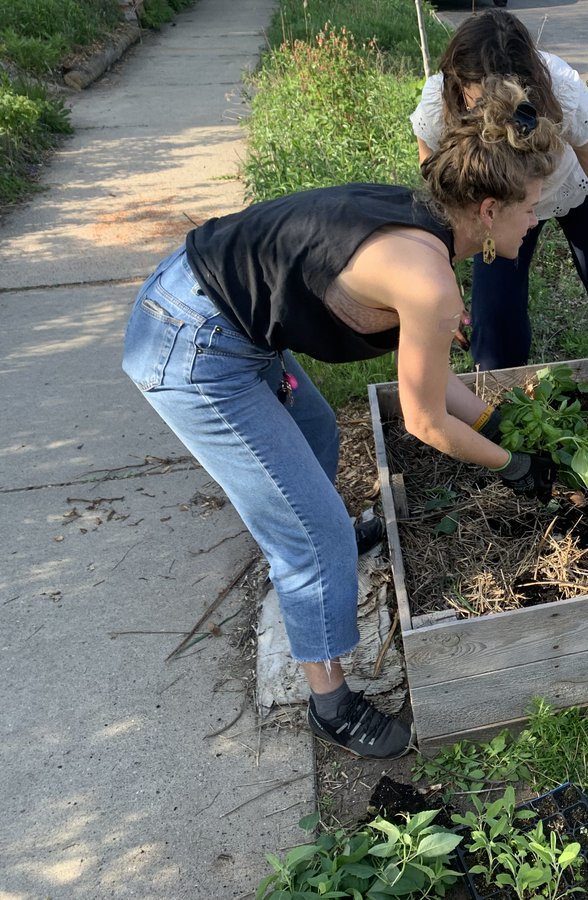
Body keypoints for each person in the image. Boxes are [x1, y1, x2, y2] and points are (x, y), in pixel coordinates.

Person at [121, 79, 561, 759]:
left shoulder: (423, 218)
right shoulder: (429, 279)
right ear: (489, 206)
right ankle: (330, 704)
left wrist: (502, 424)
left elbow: (435, 386)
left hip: (212, 303)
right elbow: (424, 422)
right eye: (531, 208)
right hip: (194, 346)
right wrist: (516, 467)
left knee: (319, 431)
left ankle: (318, 555)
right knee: (313, 535)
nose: (536, 222)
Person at [410, 8, 588, 371]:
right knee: (494, 335)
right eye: (481, 101)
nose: (494, 111)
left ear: (530, 81)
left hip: (572, 189)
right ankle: (502, 401)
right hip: (501, 208)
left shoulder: (561, 90)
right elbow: (441, 198)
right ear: (458, 82)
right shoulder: (437, 103)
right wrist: (444, 279)